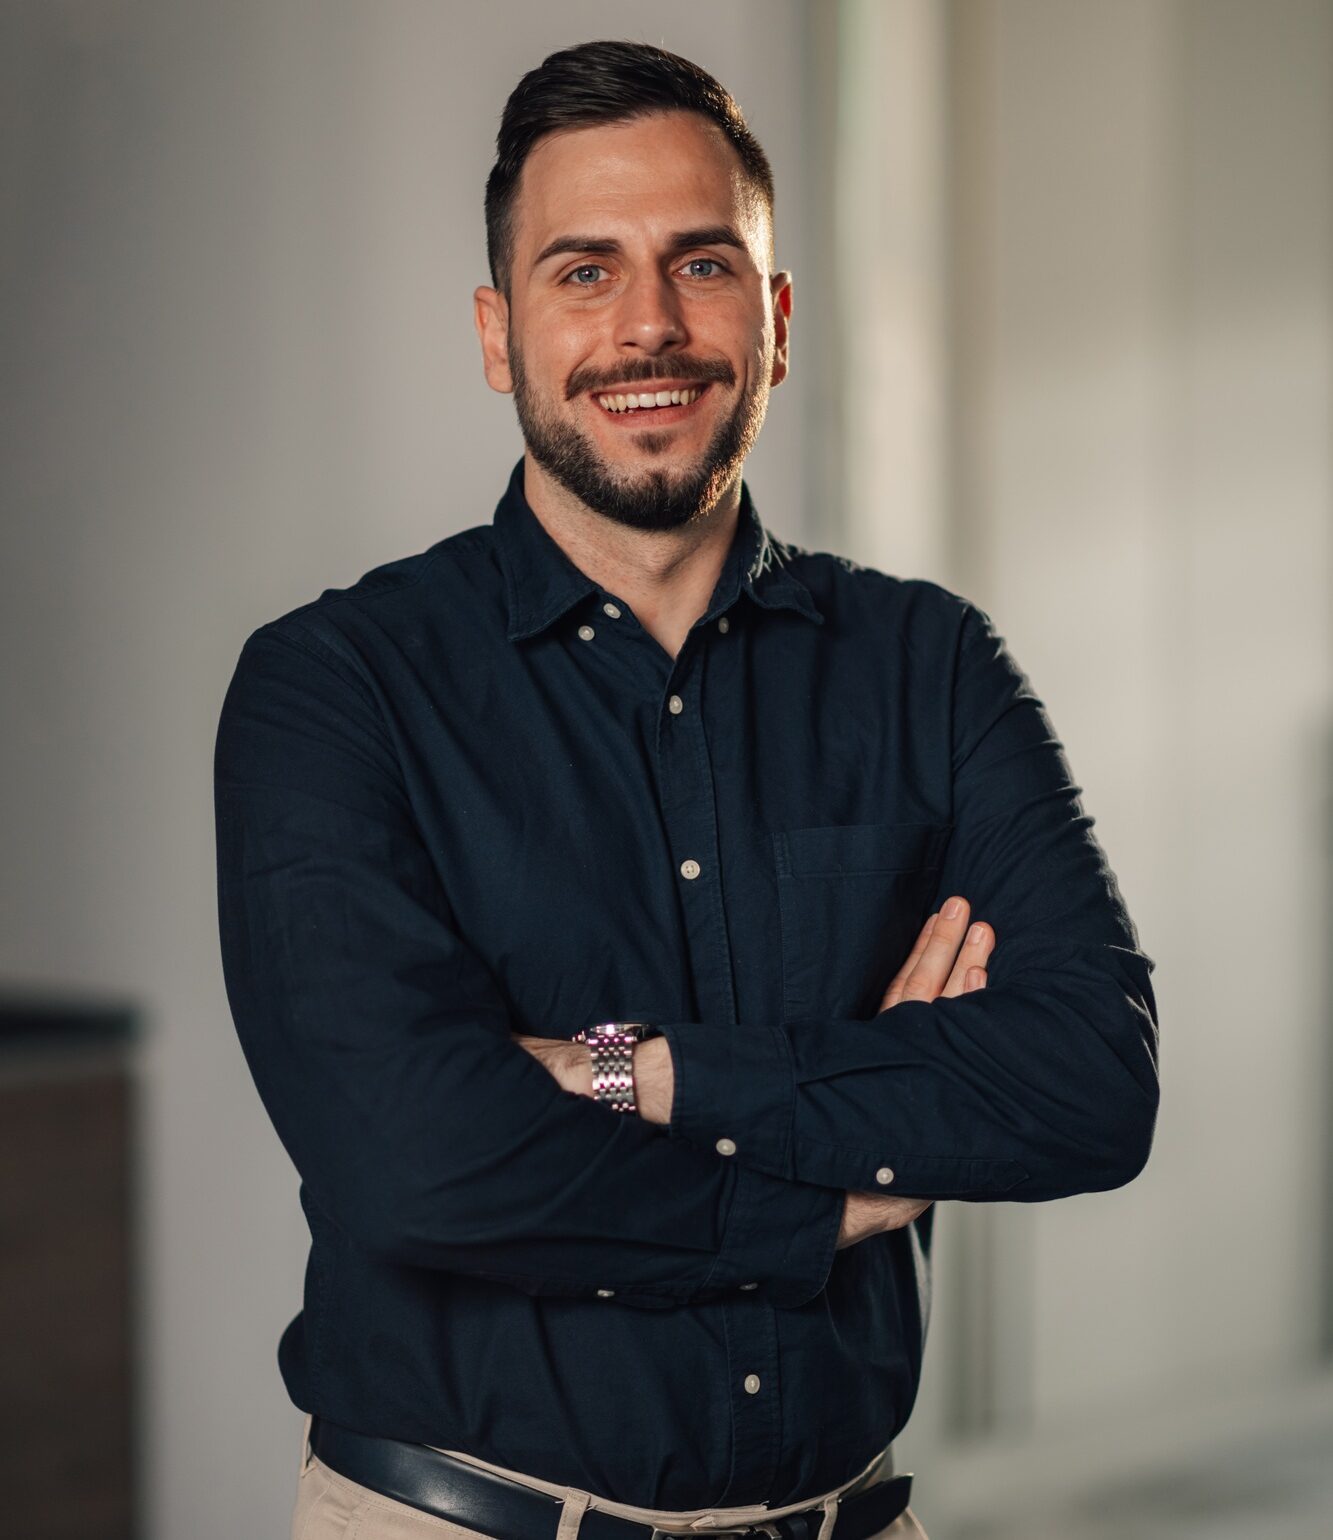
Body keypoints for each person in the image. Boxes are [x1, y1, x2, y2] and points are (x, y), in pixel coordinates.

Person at [213, 37, 1160, 1540]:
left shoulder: (926, 664)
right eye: (582, 271)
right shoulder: (338, 686)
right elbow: (414, 1158)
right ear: (496, 331)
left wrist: (631, 1071)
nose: (646, 325)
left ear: (775, 322)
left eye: (700, 266)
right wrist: (831, 1187)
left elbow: (1088, 1086)